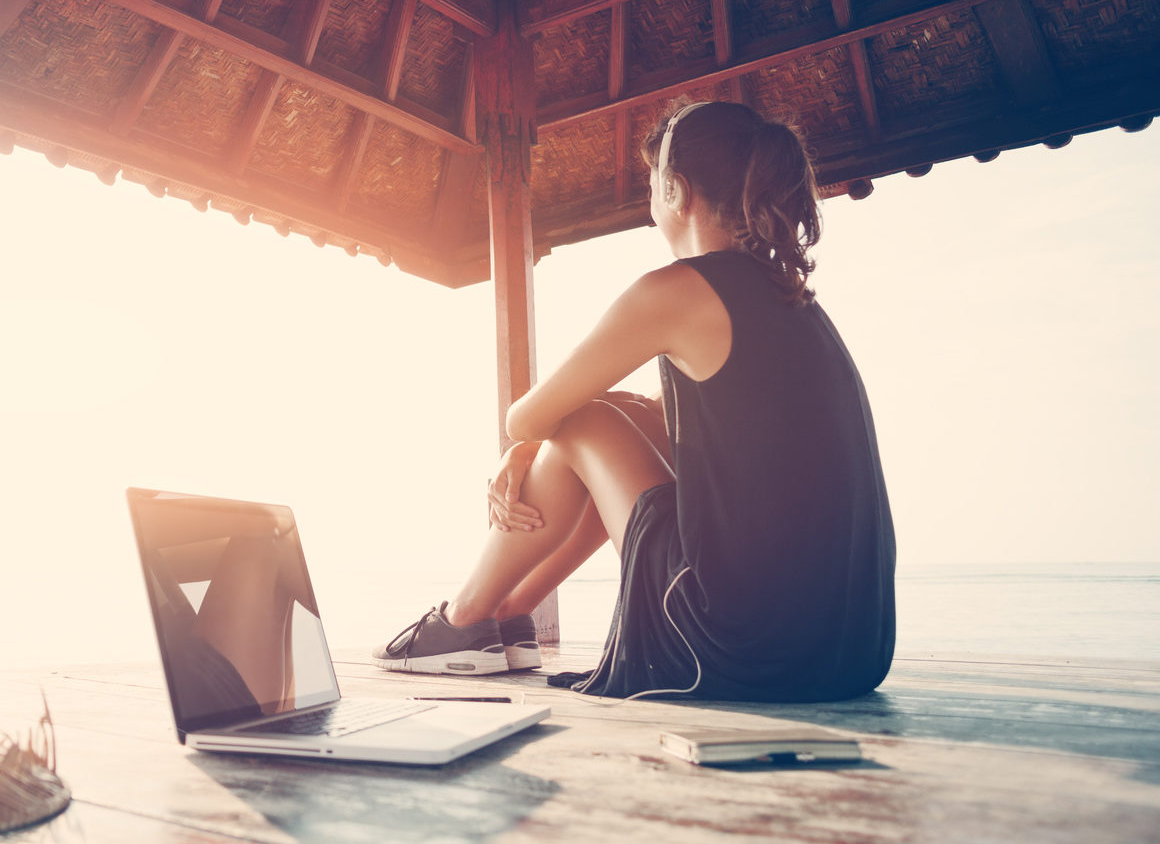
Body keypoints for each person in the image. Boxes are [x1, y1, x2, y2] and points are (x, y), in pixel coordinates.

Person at [372, 100, 896, 702]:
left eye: (652, 188)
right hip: (851, 651)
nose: (651, 210)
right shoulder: (794, 304)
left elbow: (527, 414)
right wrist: (548, 435)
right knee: (612, 418)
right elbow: (650, 415)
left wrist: (532, 439)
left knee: (586, 415)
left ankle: (464, 618)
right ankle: (510, 614)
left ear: (676, 191)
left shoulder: (677, 290)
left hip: (739, 647)